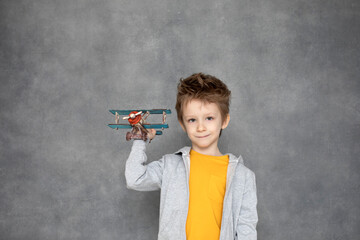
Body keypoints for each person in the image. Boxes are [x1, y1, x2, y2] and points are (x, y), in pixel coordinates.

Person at [125, 73, 258, 240]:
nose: (201, 127)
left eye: (209, 118)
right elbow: (134, 178)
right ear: (183, 124)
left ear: (224, 120)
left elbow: (247, 230)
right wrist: (140, 139)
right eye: (192, 120)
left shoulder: (243, 176)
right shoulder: (170, 165)